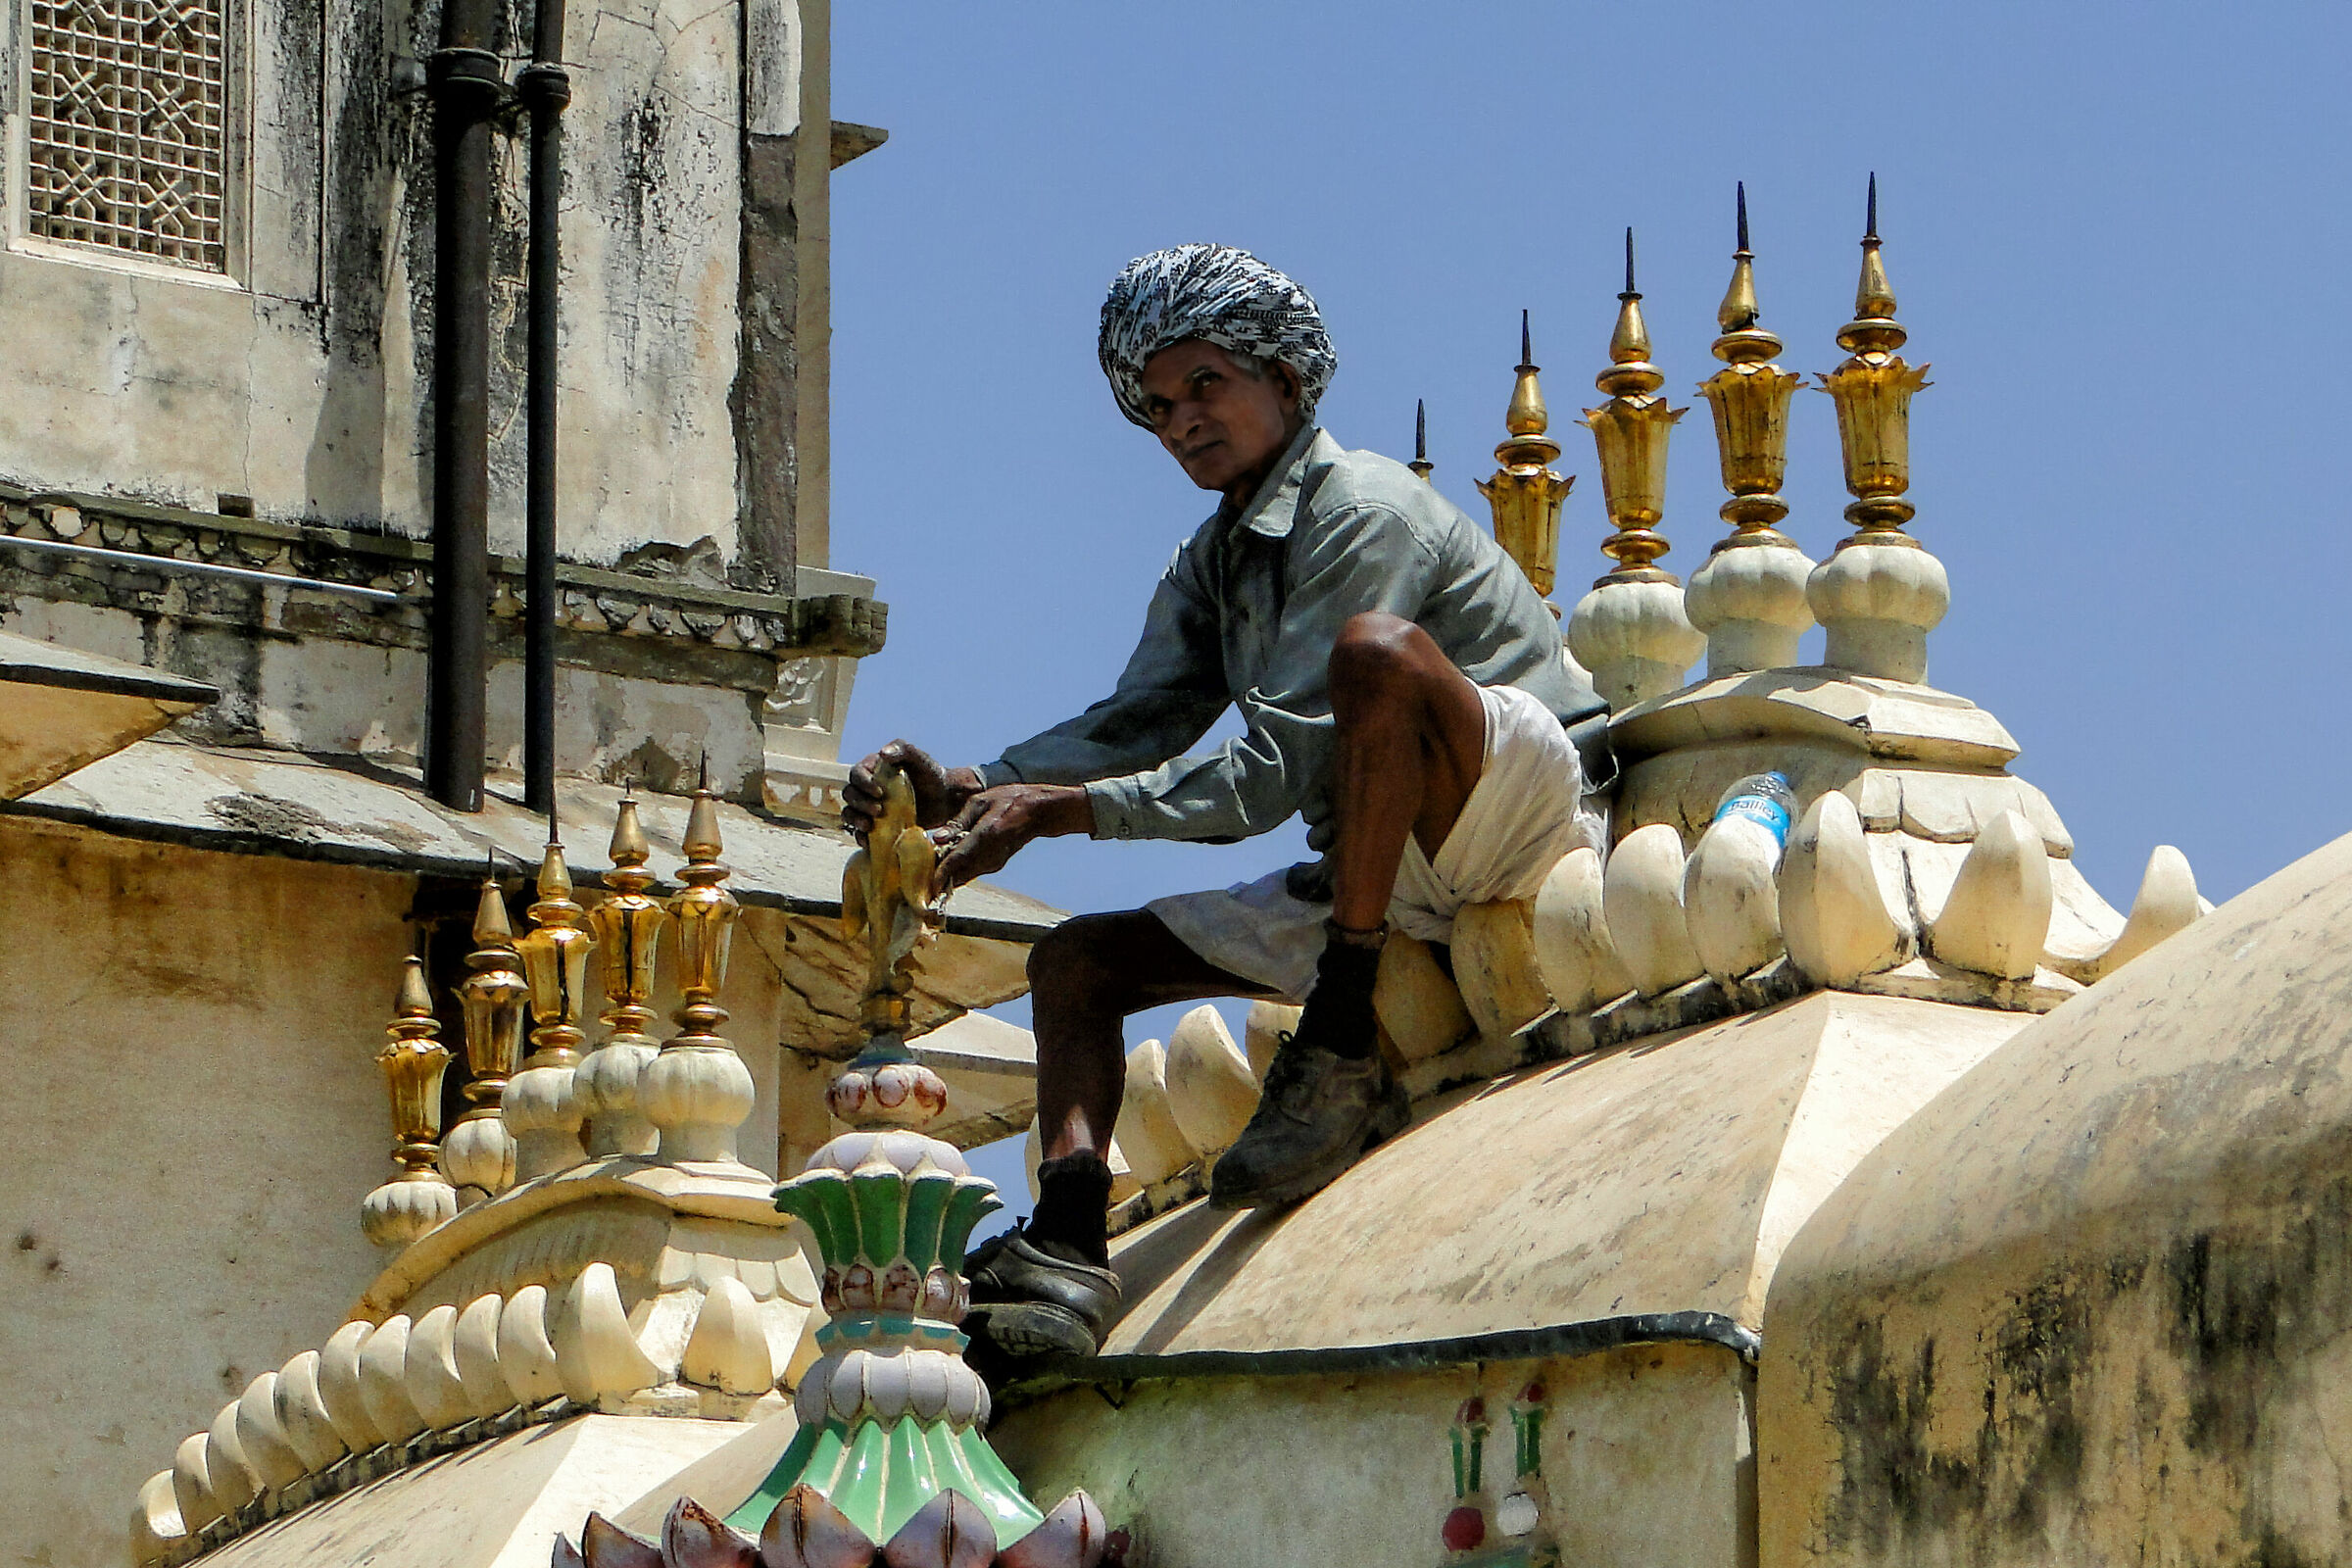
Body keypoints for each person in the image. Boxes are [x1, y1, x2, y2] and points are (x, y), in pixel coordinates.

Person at [842, 243, 1608, 1361]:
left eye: (1206, 384)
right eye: (1158, 407)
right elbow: (1138, 721)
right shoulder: (1215, 560)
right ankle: (1066, 1241)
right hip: (1380, 871)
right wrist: (976, 785)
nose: (1183, 421)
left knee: (1377, 655)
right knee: (1075, 965)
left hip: (1521, 815)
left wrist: (1056, 814)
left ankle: (1339, 1033)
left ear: (1283, 380)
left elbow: (1272, 771)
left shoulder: (1366, 508)